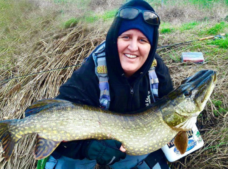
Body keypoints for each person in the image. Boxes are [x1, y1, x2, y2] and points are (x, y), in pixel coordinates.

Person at [45, 0, 174, 168]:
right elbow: (57, 126)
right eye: (126, 37)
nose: (133, 47)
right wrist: (89, 147)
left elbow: (170, 109)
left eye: (143, 40)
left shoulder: (156, 70)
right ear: (114, 39)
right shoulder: (91, 72)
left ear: (151, 46)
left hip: (131, 146)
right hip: (85, 148)